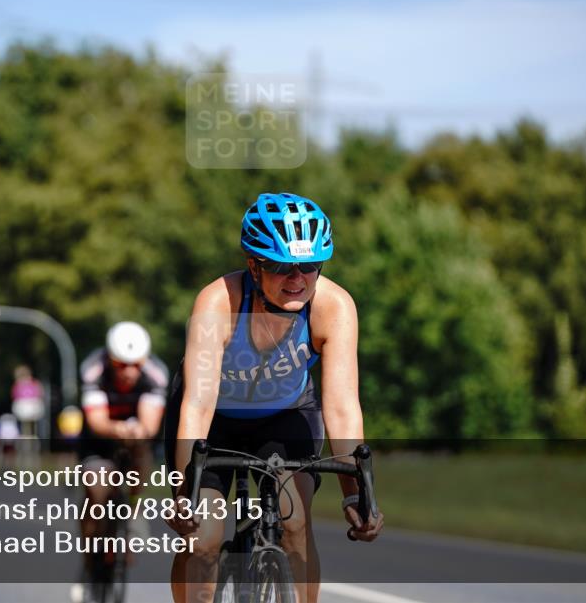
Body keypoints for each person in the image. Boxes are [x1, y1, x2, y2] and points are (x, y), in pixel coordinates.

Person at [164, 192, 382, 603]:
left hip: (286, 414)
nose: (298, 278)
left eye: (310, 266)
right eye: (282, 267)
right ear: (253, 265)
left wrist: (356, 493)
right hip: (214, 420)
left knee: (295, 523)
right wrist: (184, 494)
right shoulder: (218, 303)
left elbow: (341, 406)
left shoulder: (333, 307)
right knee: (203, 537)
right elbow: (198, 404)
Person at [78, 322, 168, 582]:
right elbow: (97, 423)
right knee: (95, 487)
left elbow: (149, 426)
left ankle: (134, 508)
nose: (129, 372)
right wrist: (121, 429)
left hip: (135, 438)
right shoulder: (93, 369)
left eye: (136, 365)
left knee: (141, 448)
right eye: (121, 365)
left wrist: (134, 433)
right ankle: (89, 557)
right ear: (109, 358)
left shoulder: (156, 374)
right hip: (99, 440)